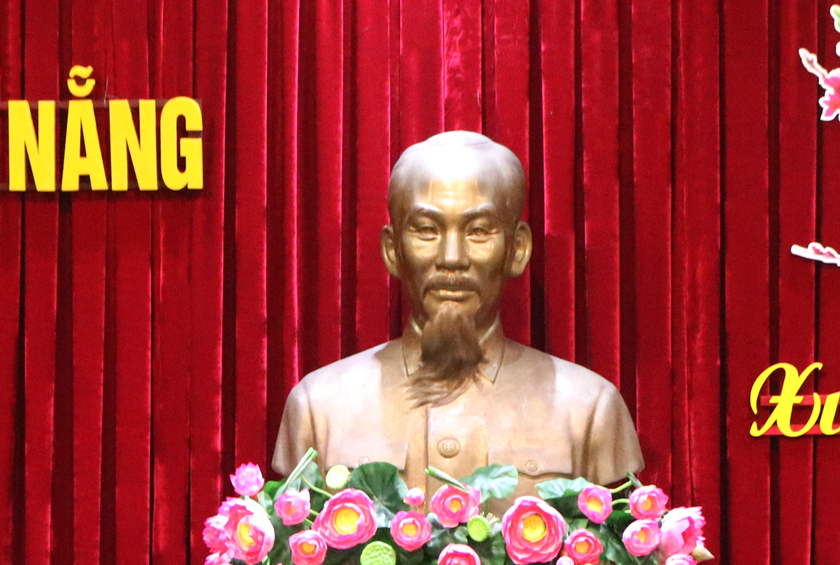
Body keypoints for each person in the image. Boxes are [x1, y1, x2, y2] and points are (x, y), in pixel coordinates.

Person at [270, 130, 644, 497]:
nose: (452, 258)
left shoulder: (589, 410)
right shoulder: (319, 409)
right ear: (392, 250)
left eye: (479, 230)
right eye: (427, 230)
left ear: (517, 249)